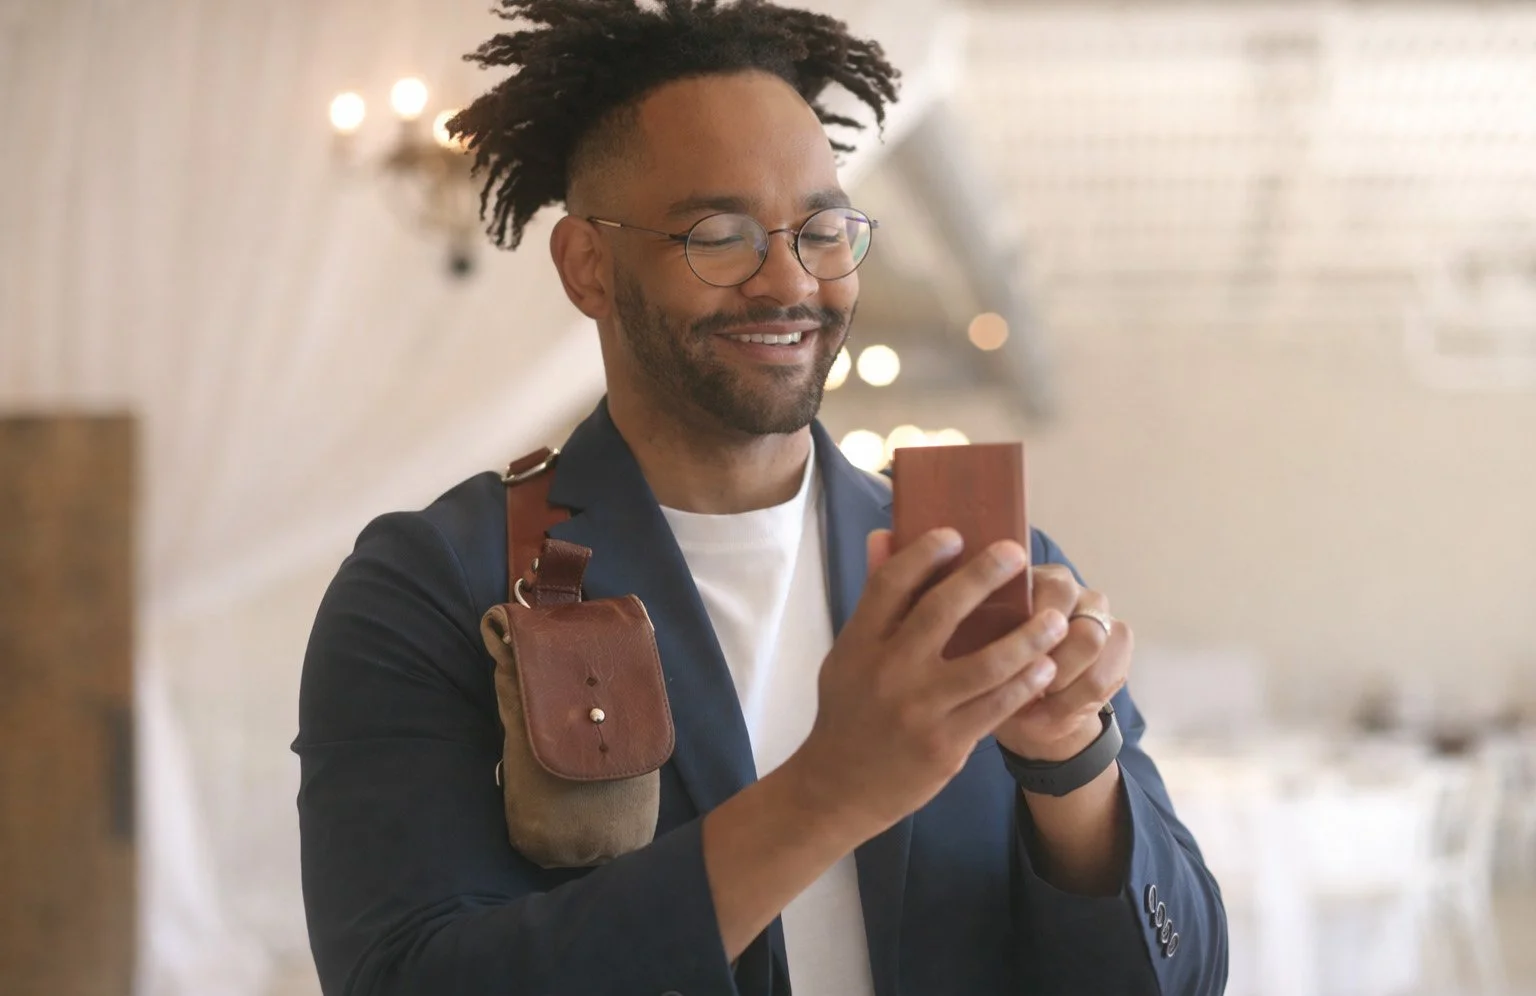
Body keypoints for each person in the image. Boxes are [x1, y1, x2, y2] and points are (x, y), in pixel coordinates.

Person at [293, 1, 1228, 993]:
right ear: (588, 266)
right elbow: (408, 977)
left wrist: (1069, 767)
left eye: (822, 230)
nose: (790, 282)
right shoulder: (437, 580)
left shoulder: (975, 565)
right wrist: (828, 791)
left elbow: (1186, 975)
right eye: (720, 235)